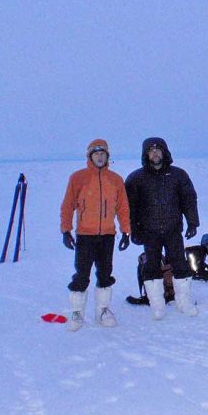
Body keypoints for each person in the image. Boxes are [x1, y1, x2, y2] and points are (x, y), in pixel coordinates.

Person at [125, 137, 200, 319]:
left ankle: (183, 302)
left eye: (158, 150)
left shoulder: (178, 175)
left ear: (165, 152)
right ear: (146, 154)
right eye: (151, 150)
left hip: (173, 229)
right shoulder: (136, 178)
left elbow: (189, 200)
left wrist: (192, 222)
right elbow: (129, 207)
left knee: (180, 265)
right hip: (149, 232)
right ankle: (157, 305)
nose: (155, 153)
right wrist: (132, 230)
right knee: (151, 267)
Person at [60, 139, 131, 330]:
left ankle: (102, 311)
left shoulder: (115, 180)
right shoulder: (78, 178)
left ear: (107, 157)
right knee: (82, 275)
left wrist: (126, 231)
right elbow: (67, 205)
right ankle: (77, 313)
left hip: (107, 235)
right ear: (90, 157)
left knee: (105, 273)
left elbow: (123, 208)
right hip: (85, 235)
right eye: (96, 154)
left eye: (103, 154)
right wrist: (66, 230)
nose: (100, 157)